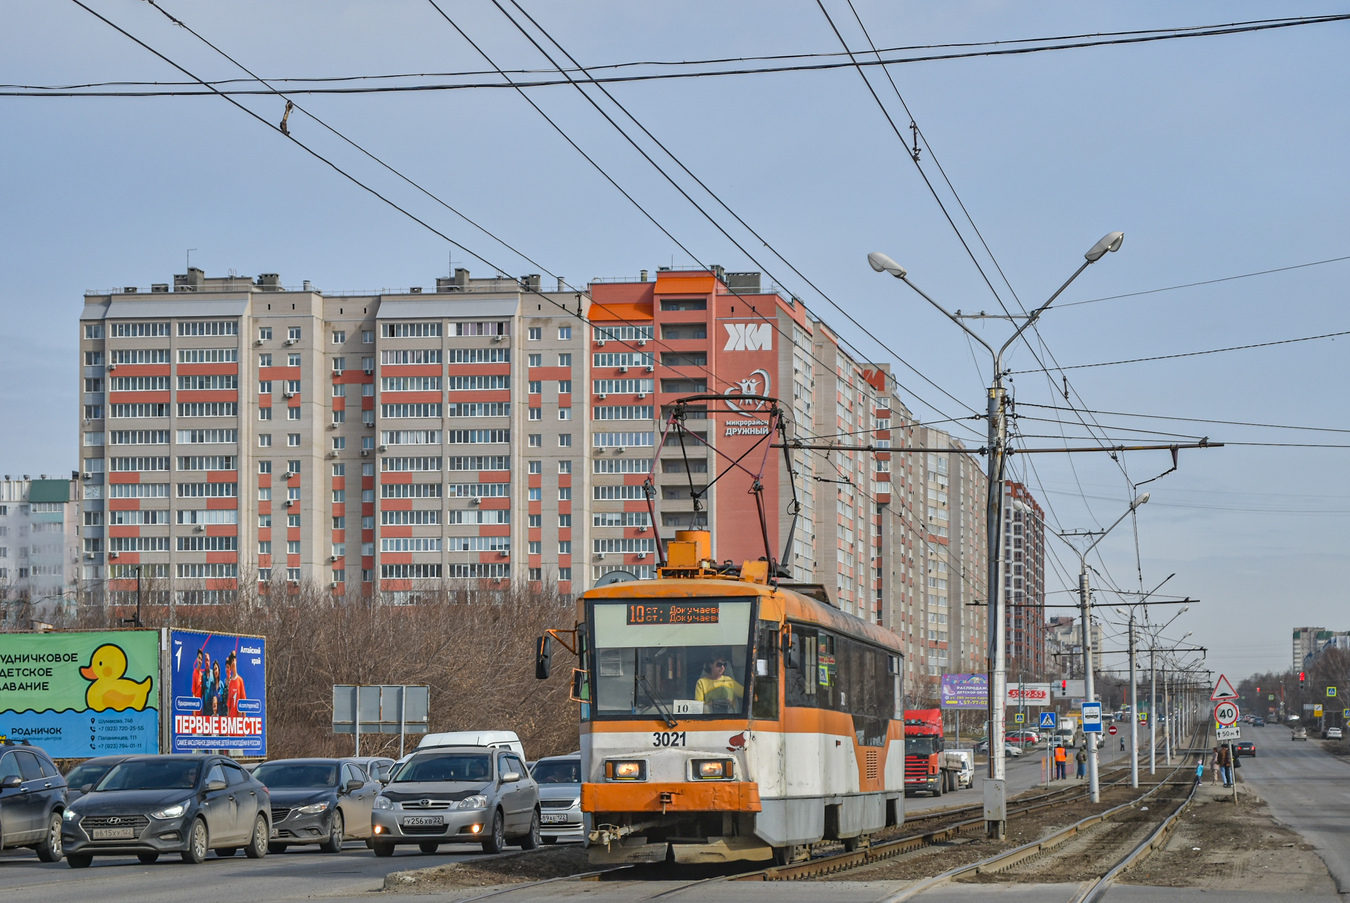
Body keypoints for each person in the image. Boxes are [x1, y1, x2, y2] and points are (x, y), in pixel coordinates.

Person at [224, 650, 246, 718]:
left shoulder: (240, 680)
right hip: (232, 717)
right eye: (231, 662)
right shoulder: (230, 682)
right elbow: (229, 702)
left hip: (239, 718)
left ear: (236, 661)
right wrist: (228, 716)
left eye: (233, 660)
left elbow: (243, 699)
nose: (233, 663)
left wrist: (244, 717)